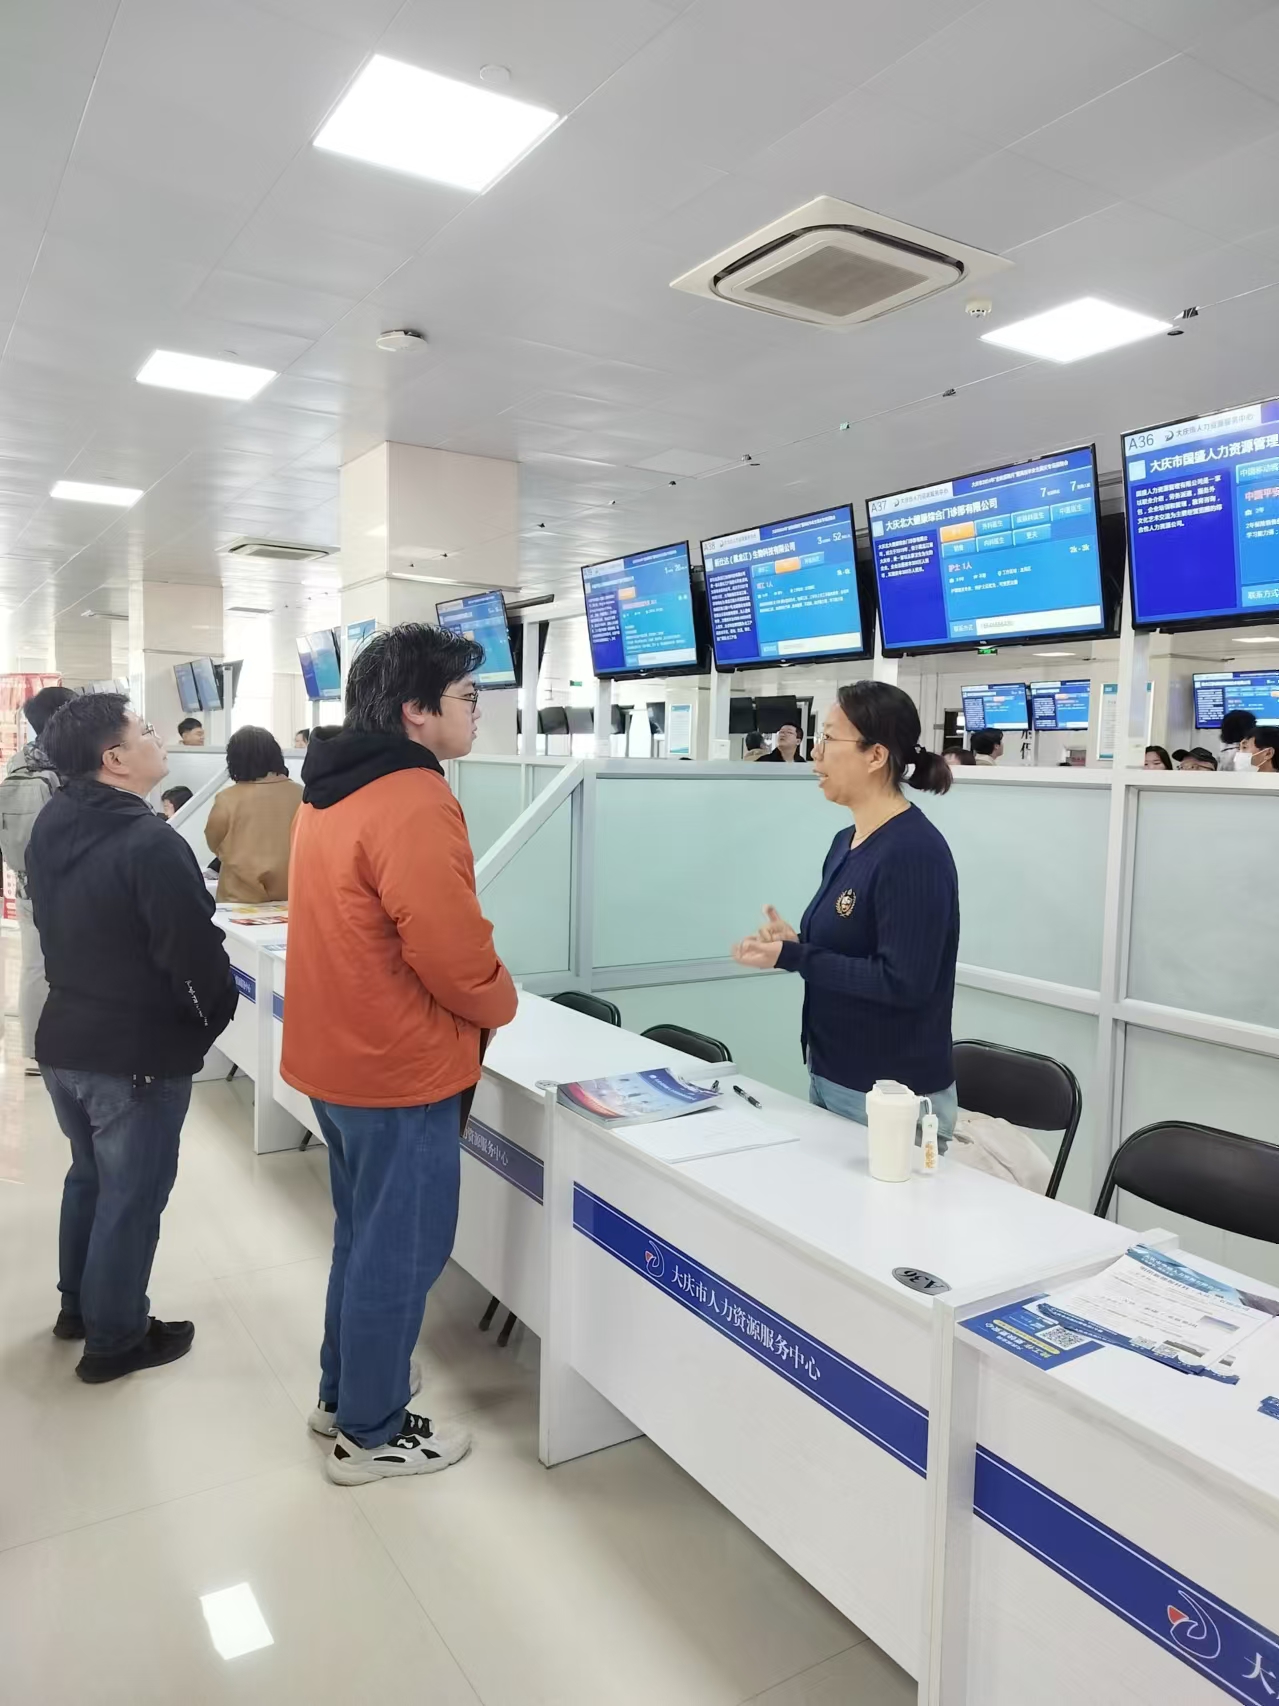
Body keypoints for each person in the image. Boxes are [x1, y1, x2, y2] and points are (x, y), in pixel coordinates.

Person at [282, 623, 518, 1485]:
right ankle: (372, 1434)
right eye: (467, 697)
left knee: (362, 1239)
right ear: (416, 711)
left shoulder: (328, 790)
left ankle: (342, 1395)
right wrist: (500, 1001)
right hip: (398, 1067)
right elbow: (449, 948)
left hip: (339, 1058)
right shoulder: (413, 796)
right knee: (402, 1253)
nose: (478, 712)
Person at [27, 694, 237, 1382]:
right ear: (115, 758)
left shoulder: (56, 819)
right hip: (133, 1056)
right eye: (145, 730)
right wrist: (207, 1023)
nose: (158, 737)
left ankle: (79, 1308)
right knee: (132, 1195)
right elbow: (195, 958)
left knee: (90, 1177)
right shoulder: (151, 842)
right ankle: (116, 1339)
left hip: (66, 1040)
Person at [732, 680, 960, 1145]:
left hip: (892, 1095)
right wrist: (796, 945)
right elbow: (854, 950)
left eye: (828, 739)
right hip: (834, 1075)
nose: (815, 756)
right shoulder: (846, 842)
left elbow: (903, 982)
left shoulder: (912, 852)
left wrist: (797, 957)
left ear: (875, 756)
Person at [0, 684, 76, 1069]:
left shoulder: (20, 761)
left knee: (34, 965)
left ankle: (33, 1050)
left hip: (26, 879)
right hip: (64, 881)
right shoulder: (67, 764)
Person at [204, 726, 303, 903]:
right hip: (292, 894)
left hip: (239, 897)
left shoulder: (228, 799)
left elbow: (214, 842)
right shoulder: (301, 794)